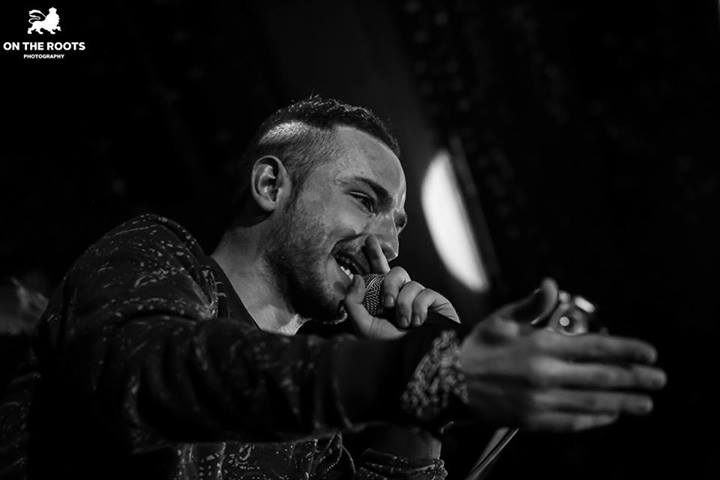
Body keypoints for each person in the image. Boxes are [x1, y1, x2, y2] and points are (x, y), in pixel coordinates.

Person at [0, 97, 666, 480]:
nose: (386, 247)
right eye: (364, 201)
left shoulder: (316, 442)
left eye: (397, 226)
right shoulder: (152, 254)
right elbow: (149, 375)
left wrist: (415, 420)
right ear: (271, 185)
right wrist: (417, 372)